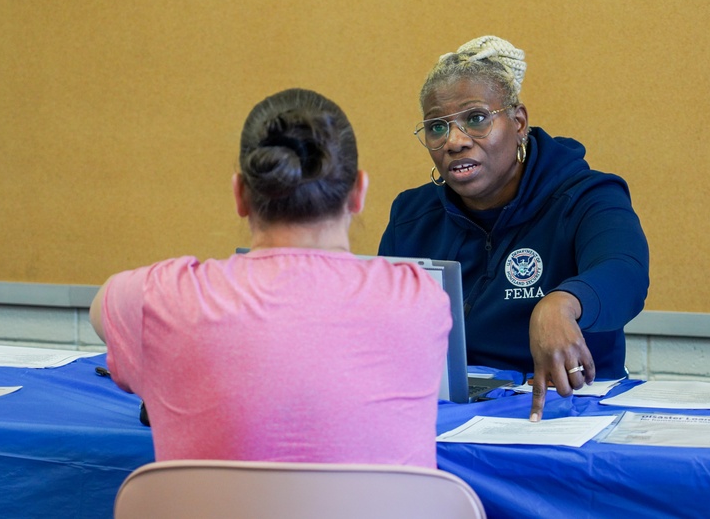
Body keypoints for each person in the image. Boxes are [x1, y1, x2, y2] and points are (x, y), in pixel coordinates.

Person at [90, 88, 451, 466]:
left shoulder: (159, 297)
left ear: (239, 195)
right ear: (359, 192)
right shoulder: (420, 298)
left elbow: (102, 310)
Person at [379, 36, 650, 421]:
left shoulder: (586, 196)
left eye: (475, 119)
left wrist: (562, 303)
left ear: (518, 122)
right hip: (450, 414)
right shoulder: (412, 215)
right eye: (437, 127)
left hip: (568, 411)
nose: (454, 142)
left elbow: (626, 271)